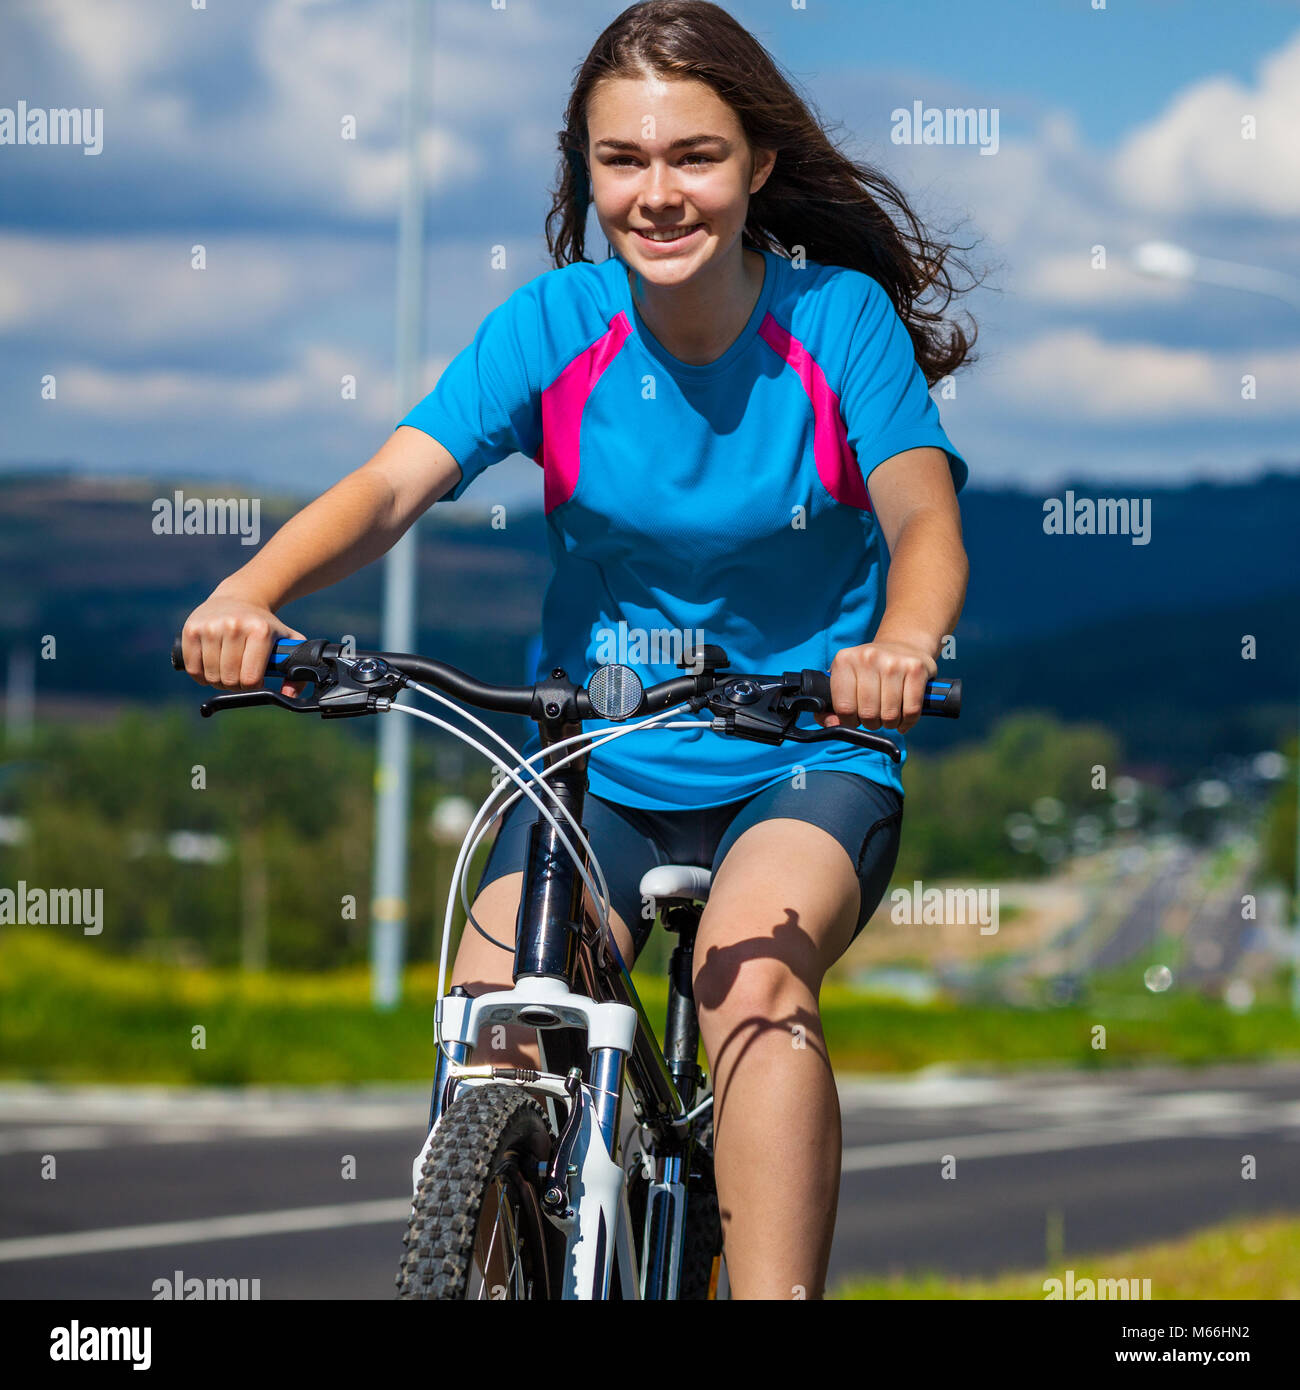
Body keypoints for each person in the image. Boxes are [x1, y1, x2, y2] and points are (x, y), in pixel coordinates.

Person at [179, 0, 980, 1299]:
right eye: (624, 160)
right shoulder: (557, 326)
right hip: (595, 760)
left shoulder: (837, 327)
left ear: (758, 165)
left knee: (754, 983)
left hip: (804, 752)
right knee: (499, 1015)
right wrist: (251, 591)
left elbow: (923, 519)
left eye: (694, 157)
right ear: (586, 170)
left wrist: (901, 640)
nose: (658, 194)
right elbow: (392, 486)